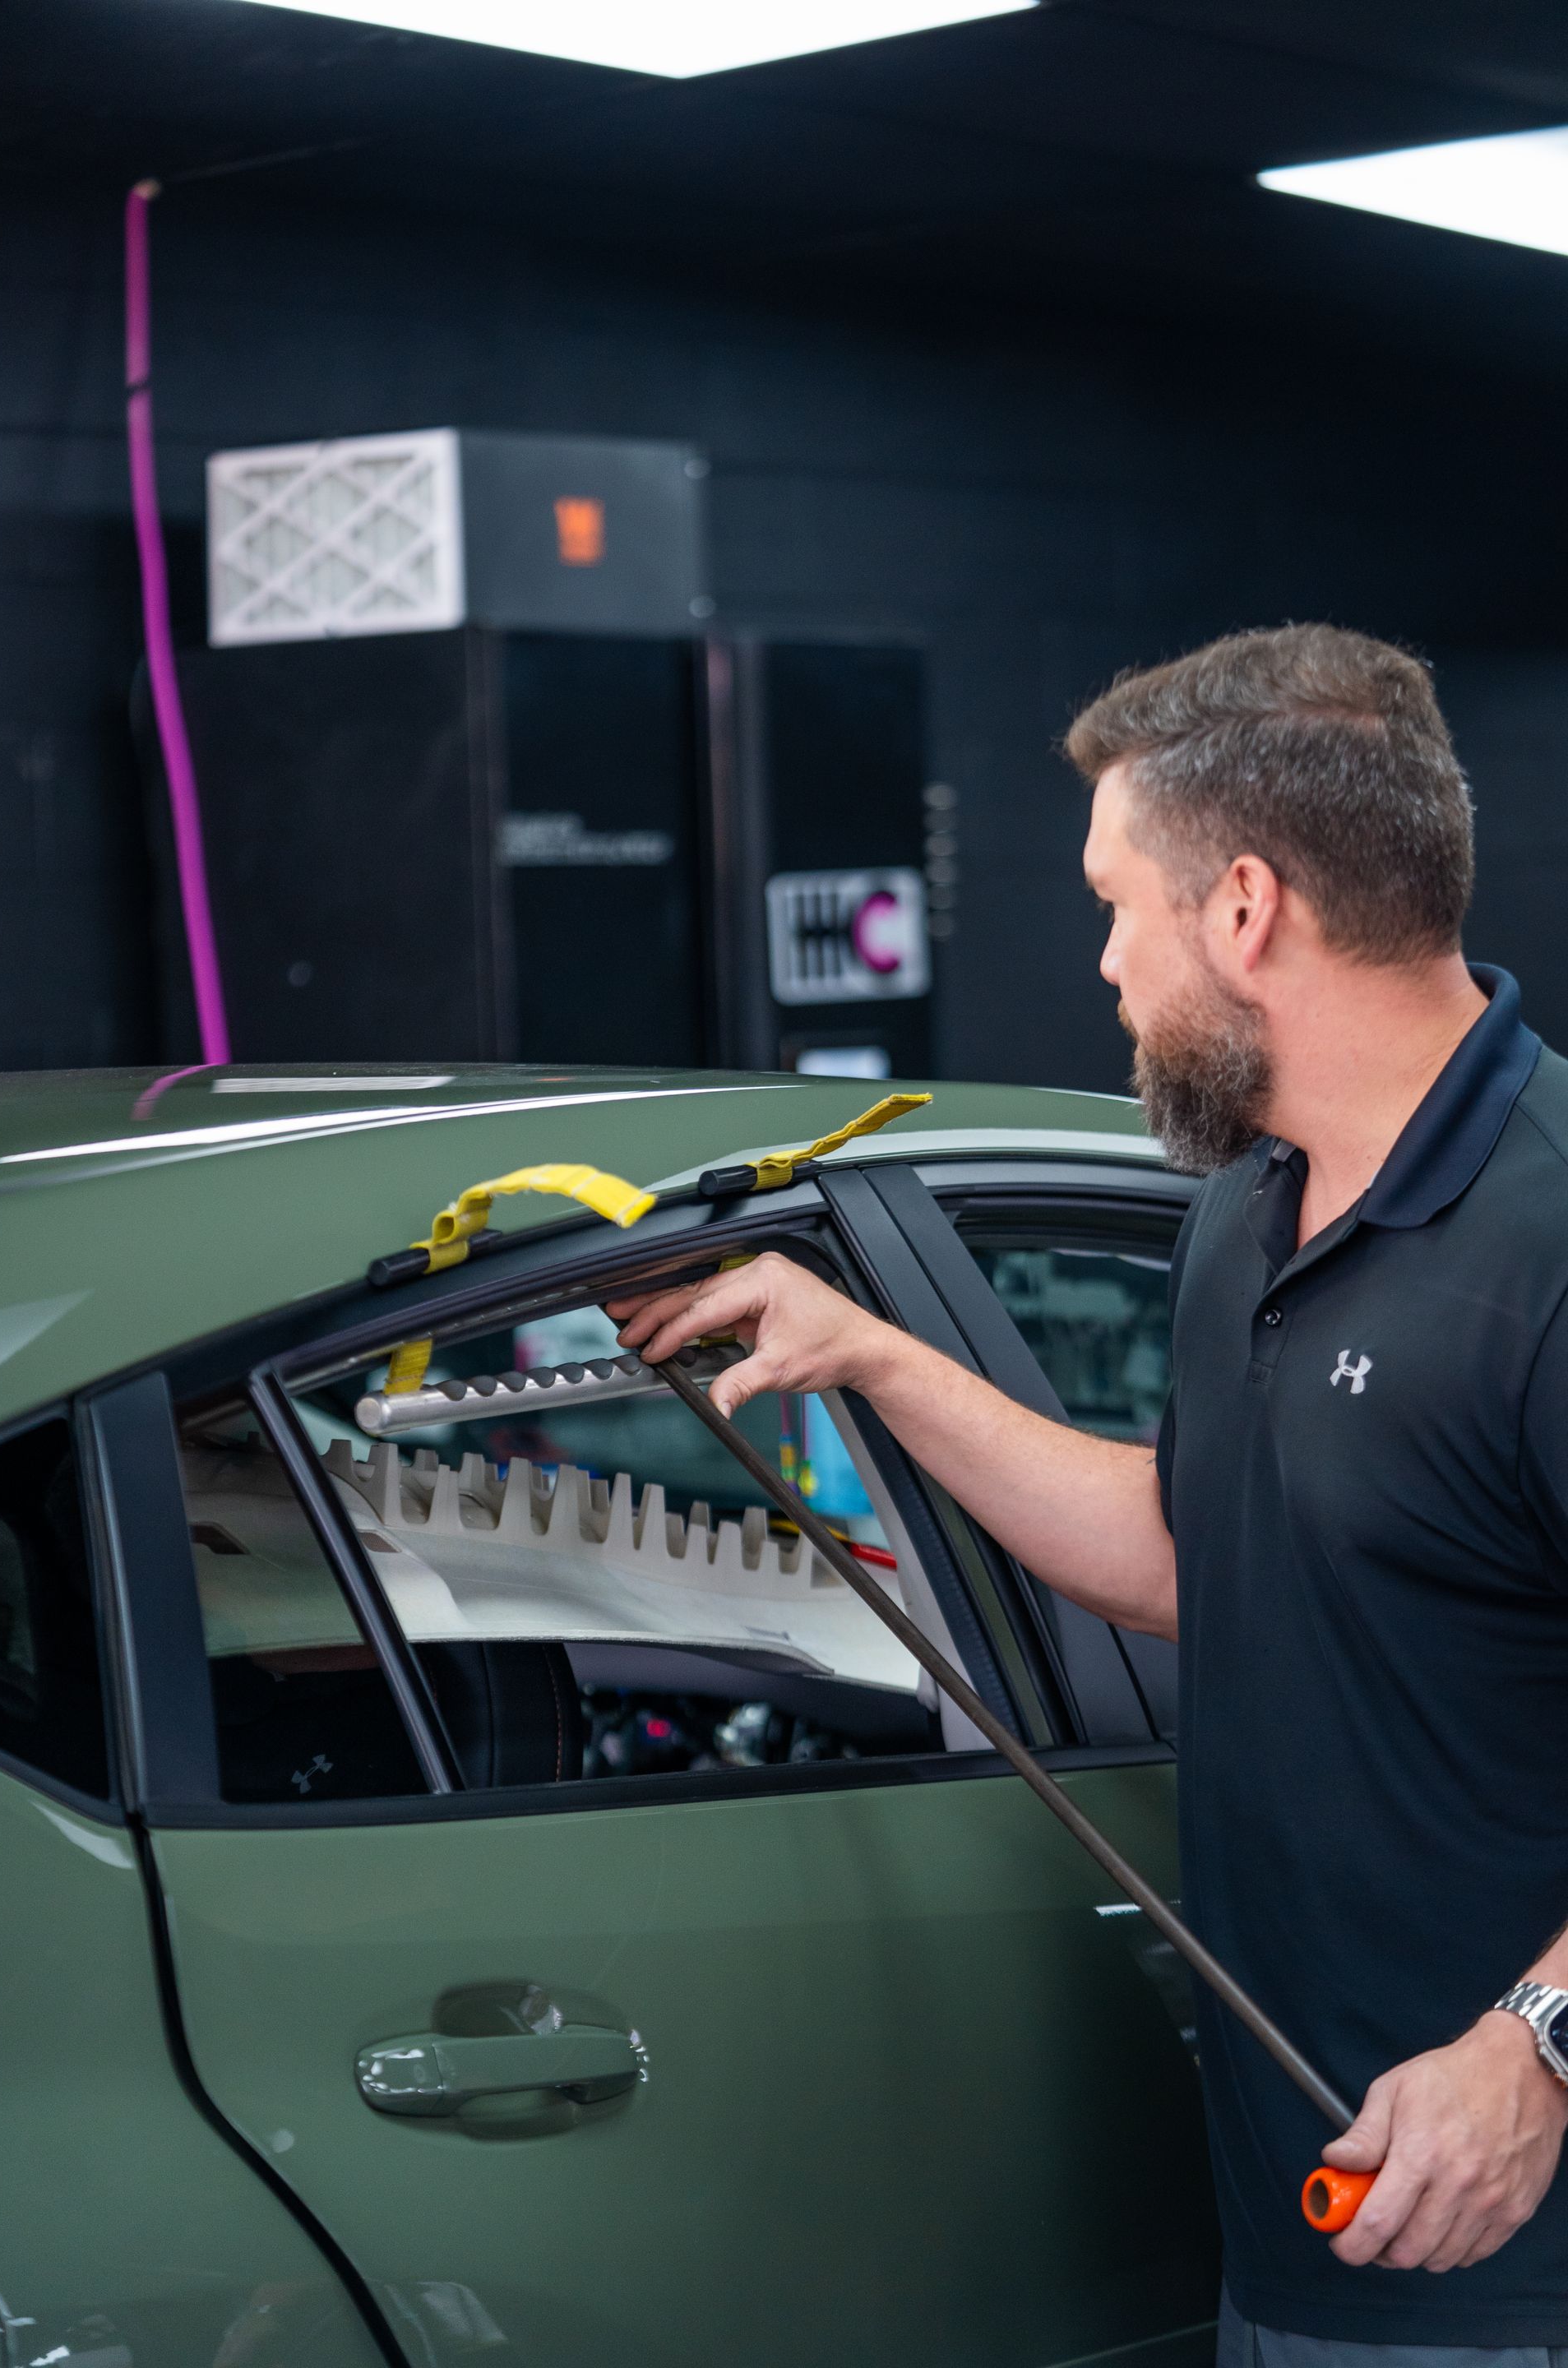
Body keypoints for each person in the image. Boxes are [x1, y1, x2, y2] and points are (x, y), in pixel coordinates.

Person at [610, 624, 1568, 2366]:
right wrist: (874, 1360)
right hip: (1307, 2224)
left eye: (1120, 902)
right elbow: (1198, 1562)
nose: (1108, 963)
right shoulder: (1246, 1206)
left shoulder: (1553, 1242)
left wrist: (1539, 2045)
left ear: (1247, 910)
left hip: (1522, 2254)